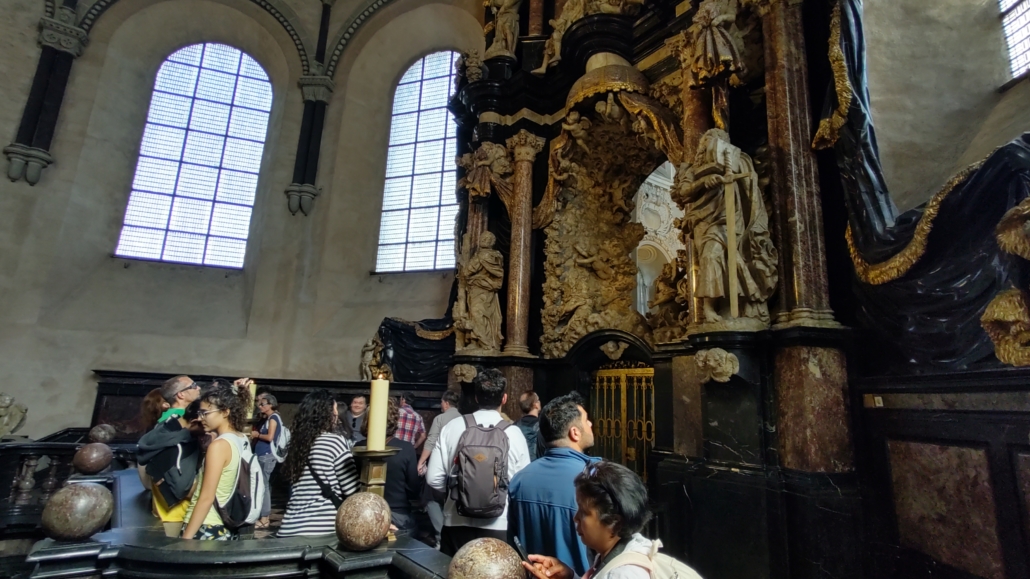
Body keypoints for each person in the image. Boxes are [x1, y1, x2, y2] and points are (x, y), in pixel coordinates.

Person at [427, 368, 531, 555]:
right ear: (504, 398)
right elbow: (522, 486)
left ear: (476, 397)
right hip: (499, 525)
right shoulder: (514, 434)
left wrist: (456, 493)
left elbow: (433, 478)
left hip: (455, 523)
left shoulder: (452, 427)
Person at [523, 461, 663, 579]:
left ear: (615, 522)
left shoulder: (624, 574)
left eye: (584, 512)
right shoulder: (611, 555)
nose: (575, 518)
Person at [509, 392, 598, 576]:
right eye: (586, 420)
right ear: (575, 432)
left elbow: (514, 543)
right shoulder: (596, 478)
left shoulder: (520, 480)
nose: (590, 424)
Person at [278, 390, 360, 537]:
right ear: (327, 414)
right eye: (334, 410)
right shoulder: (334, 441)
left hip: (289, 528)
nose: (336, 415)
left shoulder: (296, 444)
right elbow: (352, 491)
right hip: (322, 530)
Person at [180, 381, 253, 540]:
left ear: (225, 412)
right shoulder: (242, 439)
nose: (201, 418)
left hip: (206, 525)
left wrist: (186, 539)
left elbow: (206, 498)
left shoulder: (219, 446)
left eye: (205, 413)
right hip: (224, 524)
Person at [136, 381, 203, 531]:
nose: (199, 388)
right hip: (179, 512)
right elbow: (180, 483)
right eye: (193, 385)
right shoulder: (179, 425)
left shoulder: (164, 422)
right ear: (181, 394)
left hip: (165, 509)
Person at [418, 390, 462, 543]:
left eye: (442, 403)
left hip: (441, 467)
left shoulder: (440, 418)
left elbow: (431, 441)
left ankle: (439, 535)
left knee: (429, 497)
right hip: (458, 470)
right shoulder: (464, 419)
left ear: (446, 403)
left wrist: (421, 461)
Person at [374, 398, 422, 534]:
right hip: (397, 514)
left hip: (364, 512)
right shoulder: (405, 448)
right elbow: (414, 487)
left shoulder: (359, 446)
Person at [251, 391, 282, 529]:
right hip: (262, 454)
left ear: (271, 404)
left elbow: (270, 437)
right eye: (259, 403)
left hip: (267, 455)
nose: (260, 406)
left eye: (263, 404)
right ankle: (264, 515)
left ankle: (264, 517)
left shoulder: (274, 418)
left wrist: (257, 435)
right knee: (263, 485)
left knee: (264, 486)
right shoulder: (268, 418)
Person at [516, 391, 542, 461]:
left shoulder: (515, 427)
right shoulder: (543, 426)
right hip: (537, 466)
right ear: (535, 404)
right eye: (538, 400)